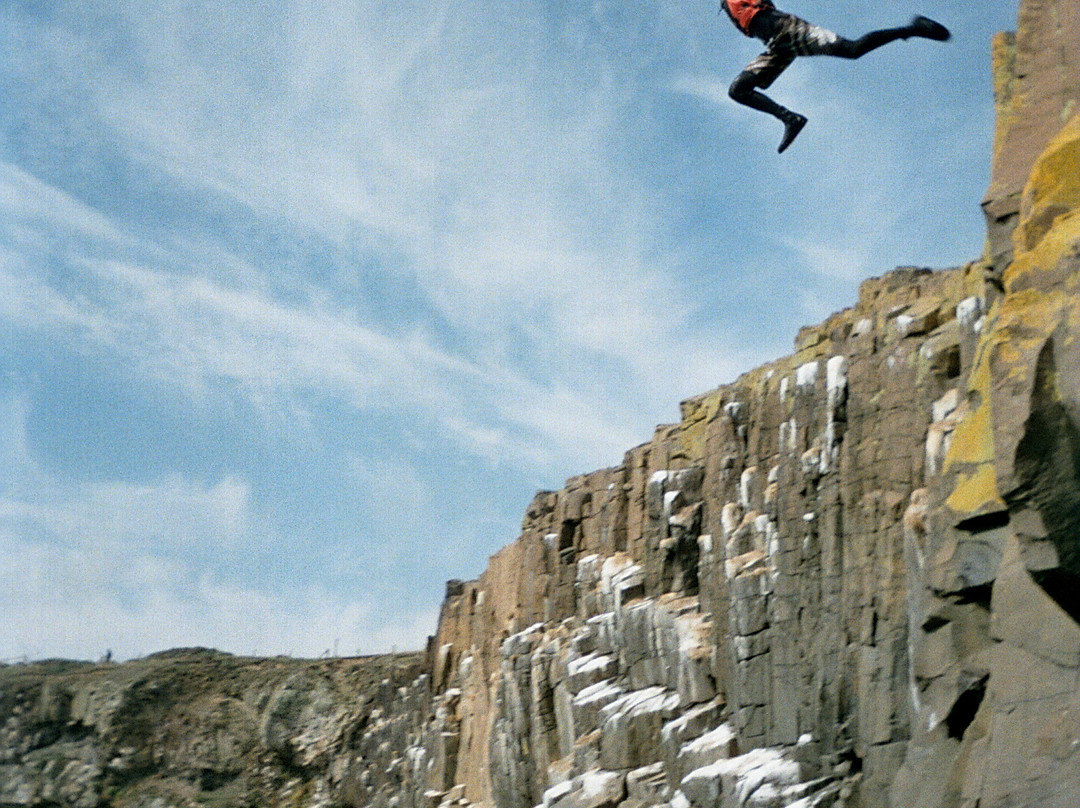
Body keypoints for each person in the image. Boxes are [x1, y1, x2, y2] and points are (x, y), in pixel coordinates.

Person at [720, 1, 950, 153]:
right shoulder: (727, 6)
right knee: (738, 90)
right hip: (776, 45)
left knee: (853, 49)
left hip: (785, 28)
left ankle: (912, 29)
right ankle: (791, 119)